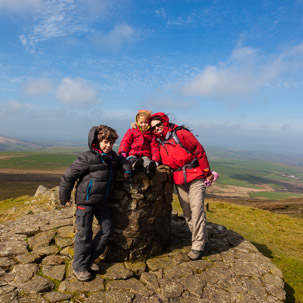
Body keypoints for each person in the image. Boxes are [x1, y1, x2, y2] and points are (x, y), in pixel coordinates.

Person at [59, 125, 131, 282]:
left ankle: (90, 259)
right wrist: (64, 196)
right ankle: (79, 267)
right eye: (105, 142)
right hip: (85, 202)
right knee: (84, 234)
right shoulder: (87, 157)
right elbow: (69, 176)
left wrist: (126, 170)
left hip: (101, 202)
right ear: (96, 141)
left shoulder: (112, 157)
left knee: (107, 230)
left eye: (111, 143)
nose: (108, 146)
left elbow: (122, 160)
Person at [149, 112, 216, 260]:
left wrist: (206, 171)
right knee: (187, 213)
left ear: (164, 122)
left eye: (158, 124)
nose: (157, 128)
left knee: (197, 209)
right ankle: (202, 239)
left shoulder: (180, 133)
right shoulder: (159, 141)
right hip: (179, 179)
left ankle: (198, 245)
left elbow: (199, 151)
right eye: (153, 127)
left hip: (195, 176)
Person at [118, 110, 161, 177]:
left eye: (146, 122)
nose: (143, 125)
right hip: (133, 153)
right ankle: (135, 166)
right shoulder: (132, 131)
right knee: (131, 160)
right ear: (137, 122)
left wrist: (156, 160)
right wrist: (123, 152)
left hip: (145, 155)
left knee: (146, 161)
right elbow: (125, 142)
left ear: (149, 123)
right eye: (141, 122)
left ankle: (149, 169)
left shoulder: (151, 135)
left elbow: (154, 148)